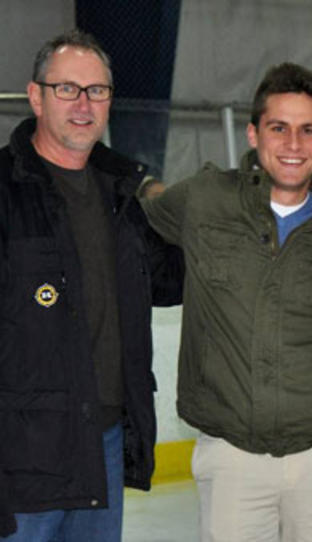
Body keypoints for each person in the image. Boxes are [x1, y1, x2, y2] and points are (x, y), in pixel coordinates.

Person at [138, 62, 312, 542]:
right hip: (232, 456)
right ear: (252, 133)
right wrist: (134, 177)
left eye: (308, 130)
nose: (293, 144)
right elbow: (144, 211)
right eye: (278, 128)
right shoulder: (203, 199)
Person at [0, 29, 184, 541]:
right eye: (67, 89)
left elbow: (168, 281)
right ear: (36, 96)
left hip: (102, 443)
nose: (83, 104)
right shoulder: (5, 192)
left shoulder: (119, 196)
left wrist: (224, 225)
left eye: (97, 91)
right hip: (22, 458)